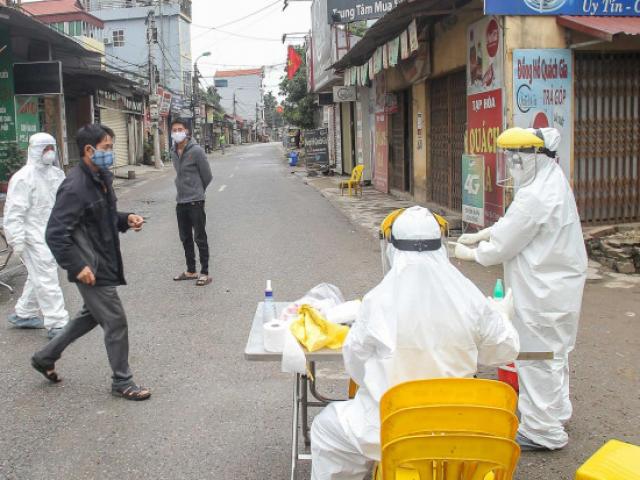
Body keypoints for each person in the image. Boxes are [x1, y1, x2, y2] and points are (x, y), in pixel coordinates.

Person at [311, 206, 520, 480]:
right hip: (461, 430)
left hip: (395, 431)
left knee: (326, 430)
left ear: (393, 248)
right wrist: (502, 318)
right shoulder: (468, 296)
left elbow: (356, 367)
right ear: (441, 245)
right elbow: (504, 351)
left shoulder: (378, 301)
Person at [455, 127, 588, 451]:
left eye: (516, 160)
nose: (511, 167)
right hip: (557, 287)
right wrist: (485, 232)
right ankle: (555, 412)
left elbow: (505, 244)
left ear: (533, 159)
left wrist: (474, 251)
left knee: (536, 356)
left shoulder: (535, 195)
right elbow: (516, 225)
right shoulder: (551, 180)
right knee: (554, 354)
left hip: (542, 293)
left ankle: (543, 432)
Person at [31, 124, 151, 401]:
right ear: (89, 150)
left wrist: (125, 219)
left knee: (90, 317)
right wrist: (77, 266)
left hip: (104, 260)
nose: (110, 153)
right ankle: (123, 381)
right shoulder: (75, 186)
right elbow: (55, 233)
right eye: (107, 148)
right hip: (90, 268)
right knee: (116, 322)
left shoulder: (102, 177)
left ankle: (44, 357)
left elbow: (101, 218)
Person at [3, 133, 69, 339]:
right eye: (44, 148)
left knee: (39, 274)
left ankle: (24, 313)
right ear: (34, 150)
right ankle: (58, 323)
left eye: (51, 147)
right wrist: (17, 240)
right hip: (32, 235)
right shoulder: (23, 177)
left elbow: (64, 202)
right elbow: (14, 212)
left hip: (52, 232)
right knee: (47, 276)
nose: (49, 152)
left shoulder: (57, 174)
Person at [171, 119, 213, 286]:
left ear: (186, 131)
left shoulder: (196, 151)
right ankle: (190, 270)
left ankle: (205, 272)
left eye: (180, 129)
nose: (177, 132)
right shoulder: (173, 151)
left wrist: (197, 191)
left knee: (200, 237)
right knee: (185, 237)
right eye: (174, 130)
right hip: (180, 201)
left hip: (195, 201)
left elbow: (207, 175)